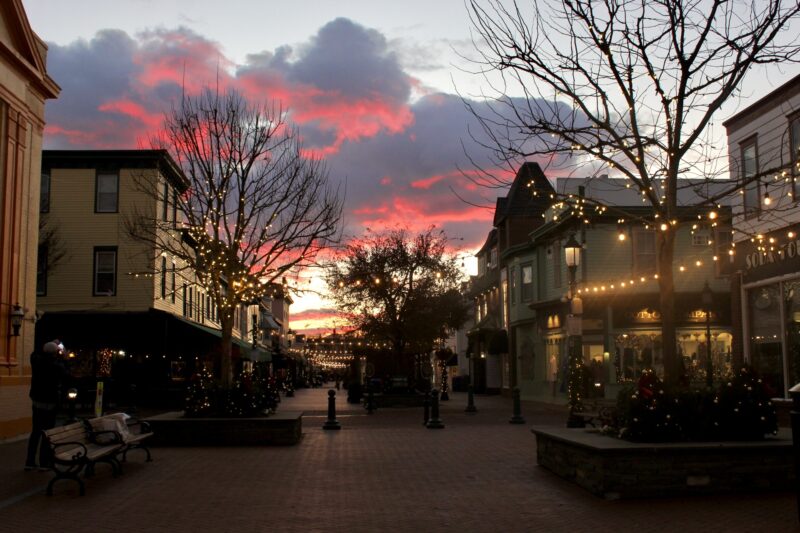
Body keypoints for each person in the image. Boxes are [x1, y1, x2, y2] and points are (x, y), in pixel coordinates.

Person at [25, 340, 69, 471]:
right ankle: (44, 461)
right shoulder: (57, 365)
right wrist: (63, 355)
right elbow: (67, 375)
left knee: (35, 432)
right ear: (55, 353)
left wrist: (46, 345)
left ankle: (30, 461)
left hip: (37, 400)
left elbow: (35, 353)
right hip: (51, 402)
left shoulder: (36, 362)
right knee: (47, 432)